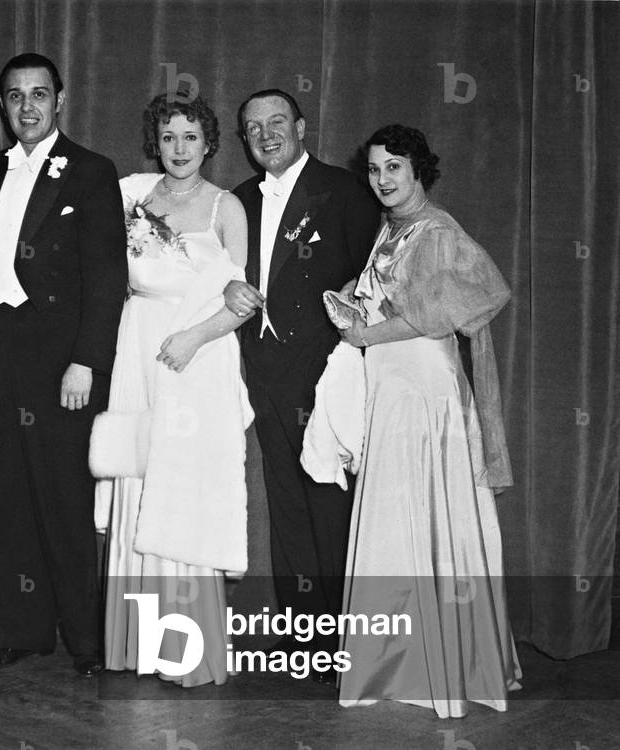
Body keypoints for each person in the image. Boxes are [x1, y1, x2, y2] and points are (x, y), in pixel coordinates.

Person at [337, 124, 521, 717]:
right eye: (374, 169)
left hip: (421, 384)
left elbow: (438, 315)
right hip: (392, 381)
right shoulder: (392, 228)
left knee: (429, 508)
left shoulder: (436, 231)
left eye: (394, 167)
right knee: (396, 514)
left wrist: (364, 334)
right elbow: (396, 298)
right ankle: (398, 662)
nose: (382, 179)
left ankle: (435, 665)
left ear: (419, 169)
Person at [0, 53, 128, 676]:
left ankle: (87, 643)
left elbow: (107, 277)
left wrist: (87, 361)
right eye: (15, 96)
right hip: (4, 353)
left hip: (64, 361)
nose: (27, 106)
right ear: (2, 105)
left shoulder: (90, 170)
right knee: (10, 492)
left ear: (59, 100)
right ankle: (22, 632)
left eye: (39, 94)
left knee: (65, 497)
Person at [97, 93, 252, 687]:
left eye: (191, 137)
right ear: (154, 143)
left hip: (199, 353)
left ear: (209, 143)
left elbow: (243, 300)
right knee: (139, 476)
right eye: (168, 137)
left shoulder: (227, 207)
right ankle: (137, 644)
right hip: (137, 344)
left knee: (184, 483)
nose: (179, 148)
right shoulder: (130, 196)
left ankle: (185, 649)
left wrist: (192, 339)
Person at [223, 89, 380, 672]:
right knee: (286, 503)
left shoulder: (343, 191)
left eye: (277, 122)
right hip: (262, 371)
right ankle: (302, 639)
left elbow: (371, 280)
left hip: (323, 372)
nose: (266, 135)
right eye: (253, 127)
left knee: (329, 504)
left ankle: (343, 641)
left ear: (302, 126)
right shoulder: (239, 200)